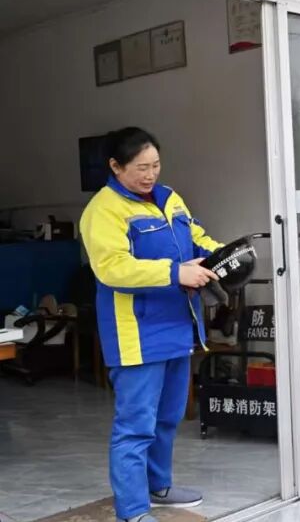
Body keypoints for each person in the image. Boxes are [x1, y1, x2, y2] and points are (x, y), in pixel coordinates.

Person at [80, 127, 222, 522]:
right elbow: (112, 267)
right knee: (135, 426)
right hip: (136, 335)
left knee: (168, 417)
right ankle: (132, 510)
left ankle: (159, 486)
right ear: (116, 166)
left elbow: (197, 238)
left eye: (155, 165)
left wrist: (225, 255)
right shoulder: (104, 210)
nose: (151, 174)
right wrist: (175, 273)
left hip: (178, 326)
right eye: (141, 167)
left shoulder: (170, 198)